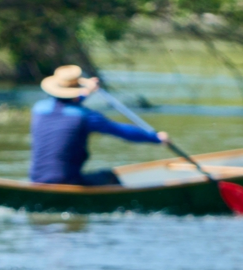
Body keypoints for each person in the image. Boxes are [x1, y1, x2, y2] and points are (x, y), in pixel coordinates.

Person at [30, 65, 168, 187]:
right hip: (68, 182)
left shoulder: (38, 109)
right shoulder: (86, 117)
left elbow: (68, 104)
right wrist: (156, 138)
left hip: (37, 181)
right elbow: (122, 131)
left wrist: (86, 92)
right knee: (109, 177)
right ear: (77, 91)